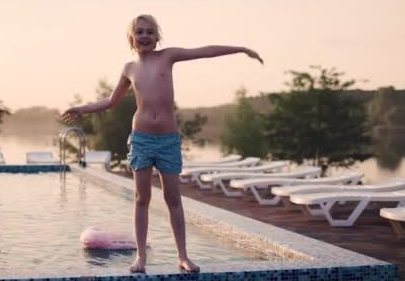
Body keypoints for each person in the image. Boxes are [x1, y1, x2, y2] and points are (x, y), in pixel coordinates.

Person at [61, 14, 263, 274]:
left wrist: (241, 49)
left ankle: (183, 256)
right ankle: (141, 257)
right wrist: (82, 109)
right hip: (142, 140)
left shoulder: (168, 56)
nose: (145, 36)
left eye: (150, 32)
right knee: (141, 198)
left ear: (157, 38)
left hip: (168, 140)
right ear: (131, 39)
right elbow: (111, 101)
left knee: (173, 199)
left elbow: (205, 52)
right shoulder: (129, 69)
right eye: (140, 32)